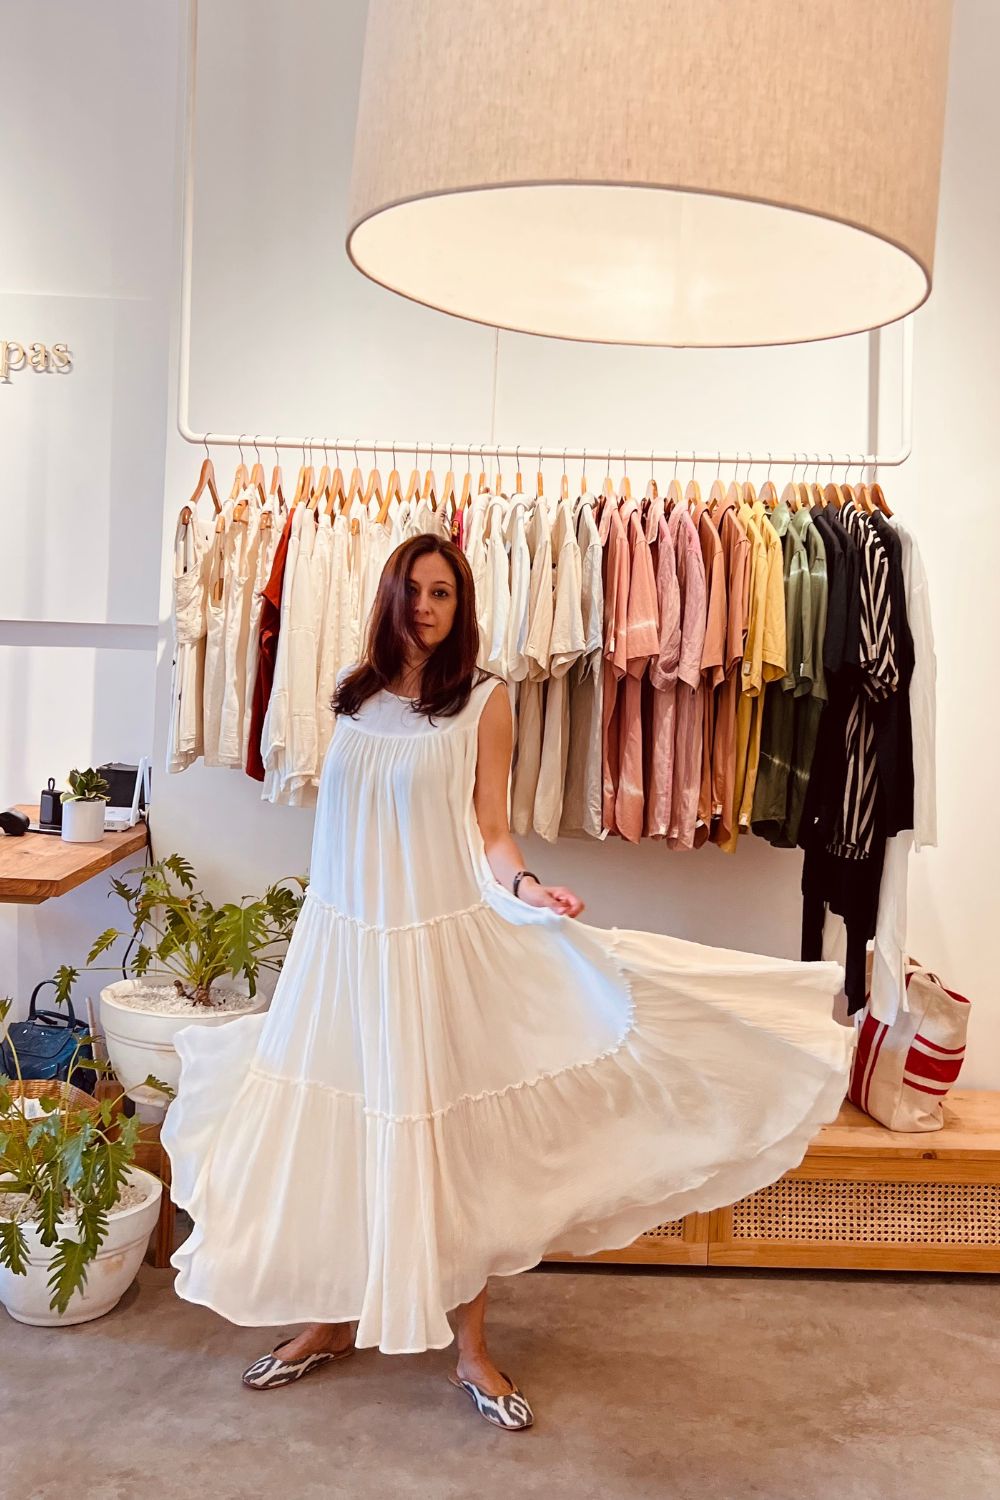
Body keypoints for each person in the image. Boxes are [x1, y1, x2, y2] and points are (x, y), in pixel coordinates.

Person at [162, 532, 853, 1433]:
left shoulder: (483, 703)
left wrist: (527, 888)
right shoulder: (351, 696)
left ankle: (471, 1349)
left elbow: (490, 830)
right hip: (342, 948)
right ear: (388, 595)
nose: (425, 607)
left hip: (432, 951)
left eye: (443, 593)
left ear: (462, 608)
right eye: (414, 590)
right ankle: (332, 1319)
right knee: (339, 1127)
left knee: (456, 1144)